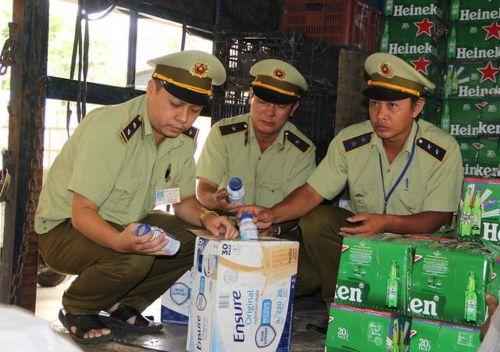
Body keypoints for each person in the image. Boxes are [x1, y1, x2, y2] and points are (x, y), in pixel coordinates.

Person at [34, 50, 238, 345]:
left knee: (197, 238)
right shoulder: (109, 130)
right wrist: (120, 243)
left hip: (125, 221)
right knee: (134, 257)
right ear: (152, 89)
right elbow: (82, 213)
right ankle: (79, 307)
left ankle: (125, 305)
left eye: (194, 110)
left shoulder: (180, 142)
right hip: (64, 231)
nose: (183, 118)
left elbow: (181, 201)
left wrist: (209, 218)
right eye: (175, 104)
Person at [238, 52, 463, 310]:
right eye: (375, 104)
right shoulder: (351, 142)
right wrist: (272, 214)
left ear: (417, 107)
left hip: (419, 244)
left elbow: (440, 217)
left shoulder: (442, 149)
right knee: (317, 221)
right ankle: (341, 306)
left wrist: (387, 223)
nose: (381, 115)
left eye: (393, 106)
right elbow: (312, 192)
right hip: (365, 237)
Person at [196, 59, 319, 296]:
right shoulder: (223, 134)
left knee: (310, 277)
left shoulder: (302, 150)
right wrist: (215, 201)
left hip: (270, 238)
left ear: (293, 109)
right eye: (262, 101)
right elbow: (204, 189)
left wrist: (276, 228)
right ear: (250, 97)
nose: (269, 112)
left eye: (281, 106)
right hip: (225, 230)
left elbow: (300, 207)